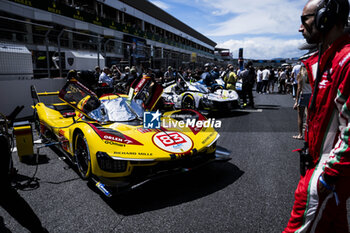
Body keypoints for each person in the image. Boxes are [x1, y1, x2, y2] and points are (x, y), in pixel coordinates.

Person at [284, 0, 350, 232]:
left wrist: (327, 176)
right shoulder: (327, 59)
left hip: (326, 173)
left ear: (326, 18)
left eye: (305, 20)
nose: (300, 28)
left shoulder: (346, 60)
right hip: (324, 169)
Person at [292, 64, 312, 140]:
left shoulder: (300, 75)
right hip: (311, 95)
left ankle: (300, 134)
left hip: (303, 95)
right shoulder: (311, 75)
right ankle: (309, 133)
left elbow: (299, 88)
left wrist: (296, 101)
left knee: (300, 116)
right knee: (309, 116)